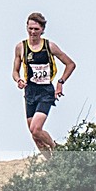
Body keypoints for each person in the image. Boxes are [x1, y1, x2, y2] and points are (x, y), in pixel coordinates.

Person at [12, 12, 75, 158]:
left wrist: (60, 82)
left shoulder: (49, 46)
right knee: (35, 137)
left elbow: (70, 64)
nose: (33, 32)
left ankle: (57, 149)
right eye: (30, 28)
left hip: (46, 91)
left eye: (36, 29)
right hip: (30, 91)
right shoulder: (21, 47)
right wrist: (18, 80)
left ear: (42, 30)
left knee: (36, 129)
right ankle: (52, 165)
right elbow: (15, 71)